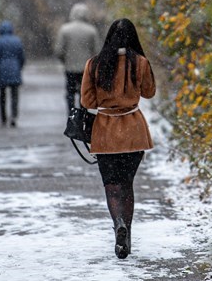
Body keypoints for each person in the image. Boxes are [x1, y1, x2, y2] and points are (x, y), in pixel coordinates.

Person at [80, 18, 155, 259]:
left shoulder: (94, 64)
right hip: (133, 132)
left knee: (111, 187)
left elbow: (87, 102)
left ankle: (118, 224)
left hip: (105, 134)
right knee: (127, 186)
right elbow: (150, 92)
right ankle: (128, 234)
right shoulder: (140, 63)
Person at [54, 3, 100, 115]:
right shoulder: (91, 31)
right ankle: (83, 115)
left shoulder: (65, 29)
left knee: (70, 92)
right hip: (86, 69)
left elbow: (59, 50)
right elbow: (97, 51)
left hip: (70, 67)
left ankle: (71, 114)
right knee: (84, 93)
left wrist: (65, 60)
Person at [0, 20, 25, 127]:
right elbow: (22, 57)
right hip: (15, 69)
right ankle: (14, 116)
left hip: (2, 71)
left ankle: (3, 118)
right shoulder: (17, 41)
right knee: (14, 96)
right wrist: (19, 67)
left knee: (2, 95)